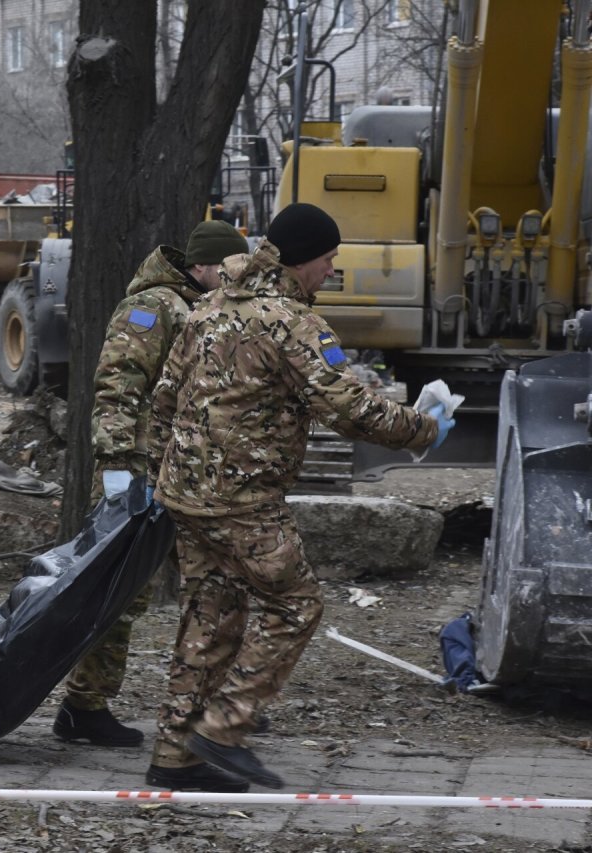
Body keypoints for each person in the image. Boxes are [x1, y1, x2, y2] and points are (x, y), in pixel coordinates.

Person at [145, 203, 455, 792]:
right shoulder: (291, 323)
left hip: (186, 493)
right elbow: (351, 408)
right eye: (329, 259)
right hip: (242, 499)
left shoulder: (210, 307)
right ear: (306, 259)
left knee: (210, 616)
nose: (332, 271)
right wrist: (425, 429)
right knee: (296, 605)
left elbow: (164, 397)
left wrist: (175, 466)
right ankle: (223, 728)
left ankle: (174, 755)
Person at [53, 221, 250, 748]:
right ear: (204, 267)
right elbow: (117, 386)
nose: (238, 277)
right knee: (124, 592)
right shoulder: (152, 308)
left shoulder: (204, 310)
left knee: (212, 587)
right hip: (140, 473)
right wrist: (118, 468)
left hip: (183, 476)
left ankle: (210, 705)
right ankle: (82, 706)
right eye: (230, 267)